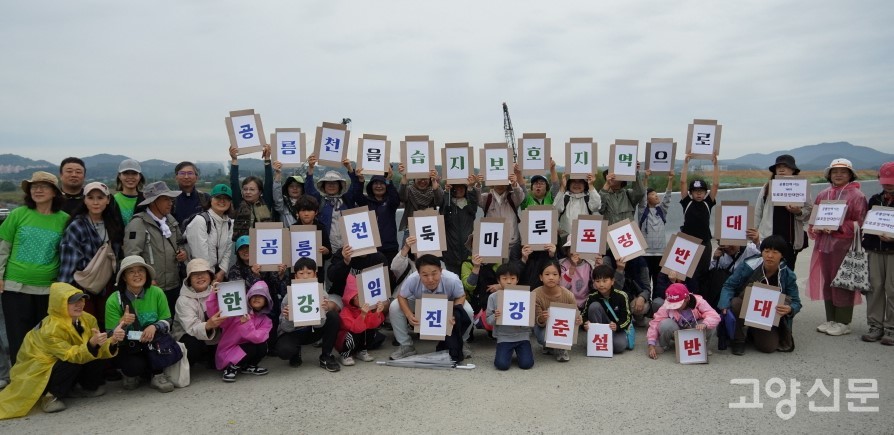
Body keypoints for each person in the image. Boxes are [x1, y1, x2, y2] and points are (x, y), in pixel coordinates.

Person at [0, 284, 124, 418]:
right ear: (59, 303)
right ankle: (50, 396)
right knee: (73, 359)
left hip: (71, 359)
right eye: (72, 301)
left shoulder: (88, 319)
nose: (79, 304)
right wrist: (91, 344)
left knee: (95, 353)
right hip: (41, 371)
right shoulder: (50, 328)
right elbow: (69, 354)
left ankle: (83, 388)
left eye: (81, 300)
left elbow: (93, 348)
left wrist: (113, 341)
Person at [0, 171, 69, 364]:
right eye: (34, 186)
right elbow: (3, 248)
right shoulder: (17, 214)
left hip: (48, 289)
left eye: (44, 186)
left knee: (44, 340)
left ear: (54, 192)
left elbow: (65, 254)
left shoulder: (64, 219)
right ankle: (20, 385)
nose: (38, 190)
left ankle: (42, 385)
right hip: (15, 287)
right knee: (18, 339)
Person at [808, 158, 867, 337]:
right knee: (828, 280)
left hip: (845, 246)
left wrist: (839, 226)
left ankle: (843, 321)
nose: (839, 174)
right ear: (829, 175)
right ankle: (831, 318)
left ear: (850, 174)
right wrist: (817, 226)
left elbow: (861, 222)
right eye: (835, 172)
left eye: (843, 171)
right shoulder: (824, 194)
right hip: (824, 245)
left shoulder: (857, 196)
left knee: (843, 280)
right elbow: (814, 219)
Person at [104, 255, 178, 392]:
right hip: (129, 345)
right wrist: (122, 324)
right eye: (131, 271)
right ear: (124, 277)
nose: (137, 275)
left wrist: (154, 326)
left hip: (153, 342)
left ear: (147, 274)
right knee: (133, 367)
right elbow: (110, 335)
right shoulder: (113, 300)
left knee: (158, 349)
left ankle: (157, 375)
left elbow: (168, 321)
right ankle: (131, 373)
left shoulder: (157, 292)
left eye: (141, 270)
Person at [718, 235, 801, 355]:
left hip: (766, 314)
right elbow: (729, 285)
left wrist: (790, 309)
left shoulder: (788, 275)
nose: (770, 255)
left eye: (775, 252)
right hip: (743, 305)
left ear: (782, 255)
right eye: (766, 251)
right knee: (735, 303)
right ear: (761, 252)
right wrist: (724, 304)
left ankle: (752, 331)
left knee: (768, 347)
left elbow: (796, 302)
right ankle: (738, 339)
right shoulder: (749, 265)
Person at [57, 181, 125, 321]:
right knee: (86, 326)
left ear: (108, 200)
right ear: (84, 200)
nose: (95, 202)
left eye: (100, 198)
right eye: (91, 198)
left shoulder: (113, 225)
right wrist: (65, 294)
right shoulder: (77, 226)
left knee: (108, 325)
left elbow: (118, 258)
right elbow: (68, 264)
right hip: (82, 288)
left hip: (108, 286)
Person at [389, 254, 473, 362]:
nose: (430, 279)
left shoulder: (452, 279)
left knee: (468, 310)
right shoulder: (412, 279)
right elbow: (402, 296)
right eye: (425, 275)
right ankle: (406, 345)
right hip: (421, 302)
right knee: (395, 306)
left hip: (448, 302)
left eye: (434, 274)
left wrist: (454, 312)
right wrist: (409, 314)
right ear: (418, 273)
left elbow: (461, 296)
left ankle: (462, 342)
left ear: (441, 271)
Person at [123, 181, 188, 316]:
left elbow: (180, 242)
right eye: (166, 199)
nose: (170, 203)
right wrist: (147, 279)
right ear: (153, 202)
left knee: (170, 319)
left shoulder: (170, 220)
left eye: (171, 199)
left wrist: (182, 252)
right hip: (150, 286)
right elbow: (132, 256)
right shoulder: (138, 224)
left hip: (174, 283)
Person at [275, 258, 343, 372]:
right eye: (301, 273)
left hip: (313, 331)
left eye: (309, 273)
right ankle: (295, 352)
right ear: (295, 276)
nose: (305, 277)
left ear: (315, 275)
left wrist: (322, 312)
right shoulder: (288, 297)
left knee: (333, 316)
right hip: (293, 332)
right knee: (284, 351)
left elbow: (319, 325)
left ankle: (326, 356)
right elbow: (285, 328)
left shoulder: (321, 293)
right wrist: (288, 318)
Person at [754, 155, 814, 269]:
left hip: (790, 241)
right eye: (779, 167)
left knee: (788, 272)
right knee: (768, 271)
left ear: (793, 170)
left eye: (786, 166)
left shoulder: (801, 187)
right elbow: (758, 211)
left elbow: (809, 210)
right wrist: (754, 233)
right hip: (769, 239)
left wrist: (798, 212)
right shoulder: (767, 187)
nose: (781, 169)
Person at [208, 280, 273, 382]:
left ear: (266, 301)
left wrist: (246, 324)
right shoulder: (236, 313)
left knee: (262, 346)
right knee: (250, 348)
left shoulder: (266, 321)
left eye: (261, 296)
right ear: (248, 298)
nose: (256, 298)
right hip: (229, 351)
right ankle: (230, 367)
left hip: (248, 348)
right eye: (253, 295)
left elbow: (259, 338)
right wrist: (213, 296)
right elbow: (218, 316)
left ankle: (249, 366)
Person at [861, 161, 894, 345]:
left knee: (893, 289)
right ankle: (875, 325)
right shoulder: (874, 200)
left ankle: (891, 328)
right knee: (874, 288)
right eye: (885, 180)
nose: (888, 184)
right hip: (874, 249)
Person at [678, 153, 720, 294]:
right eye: (695, 191)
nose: (699, 194)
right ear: (691, 193)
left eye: (701, 191)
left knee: (703, 273)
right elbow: (682, 182)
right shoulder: (686, 202)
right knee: (686, 273)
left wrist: (715, 165)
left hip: (705, 243)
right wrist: (685, 163)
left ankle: (702, 300)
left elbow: (715, 184)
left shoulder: (708, 203)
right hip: (687, 244)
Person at [646, 283, 720, 360]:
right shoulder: (667, 305)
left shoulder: (699, 301)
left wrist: (705, 324)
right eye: (672, 304)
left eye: (678, 304)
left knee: (711, 325)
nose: (675, 307)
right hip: (677, 331)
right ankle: (664, 345)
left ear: (687, 298)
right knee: (665, 324)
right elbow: (655, 323)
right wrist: (651, 345)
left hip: (695, 329)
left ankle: (703, 348)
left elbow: (714, 315)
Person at [173, 259, 222, 368]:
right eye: (195, 274)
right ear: (189, 279)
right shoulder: (183, 300)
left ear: (210, 276)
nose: (200, 277)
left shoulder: (218, 291)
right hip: (189, 335)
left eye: (203, 273)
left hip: (213, 336)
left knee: (220, 363)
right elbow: (191, 328)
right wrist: (208, 325)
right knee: (193, 346)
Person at [533, 260, 585, 362]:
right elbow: (537, 320)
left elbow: (576, 315)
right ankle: (548, 345)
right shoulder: (535, 294)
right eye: (547, 274)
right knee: (542, 336)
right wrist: (542, 318)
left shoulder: (568, 295)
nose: (551, 277)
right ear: (541, 277)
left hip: (562, 327)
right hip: (543, 327)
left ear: (560, 277)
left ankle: (561, 348)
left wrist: (579, 320)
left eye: (555, 274)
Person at [305, 156, 356, 257]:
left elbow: (355, 187)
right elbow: (309, 190)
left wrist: (350, 168)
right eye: (328, 183)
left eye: (334, 183)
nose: (331, 186)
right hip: (327, 248)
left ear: (340, 186)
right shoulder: (320, 201)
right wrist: (311, 168)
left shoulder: (346, 200)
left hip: (347, 248)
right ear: (323, 186)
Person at [486, 263, 534, 371]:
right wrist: (495, 316)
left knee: (526, 364)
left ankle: (520, 353)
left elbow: (531, 318)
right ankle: (505, 353)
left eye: (512, 278)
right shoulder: (493, 297)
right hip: (504, 336)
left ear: (517, 280)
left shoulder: (525, 295)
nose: (509, 281)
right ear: (498, 280)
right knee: (502, 365)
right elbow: (488, 320)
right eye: (504, 278)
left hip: (522, 335)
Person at [184, 184, 234, 284]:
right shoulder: (200, 221)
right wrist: (210, 276)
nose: (222, 201)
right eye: (218, 197)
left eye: (226, 198)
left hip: (216, 274)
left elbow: (228, 250)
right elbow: (199, 255)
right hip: (199, 274)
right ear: (211, 199)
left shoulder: (229, 223)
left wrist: (222, 272)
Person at [478, 164, 526, 261]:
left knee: (512, 273)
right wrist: (478, 184)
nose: (500, 183)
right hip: (493, 244)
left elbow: (521, 196)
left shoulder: (512, 197)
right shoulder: (486, 198)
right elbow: (474, 198)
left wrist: (515, 184)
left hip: (512, 244)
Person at [354, 167, 401, 266]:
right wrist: (361, 181)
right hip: (371, 248)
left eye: (381, 183)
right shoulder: (366, 202)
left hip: (389, 247)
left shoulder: (390, 202)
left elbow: (396, 199)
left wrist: (389, 180)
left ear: (386, 186)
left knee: (390, 278)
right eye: (375, 183)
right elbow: (357, 196)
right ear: (371, 186)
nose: (378, 186)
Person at [336, 274, 386, 366]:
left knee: (371, 330)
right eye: (358, 297)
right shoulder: (345, 312)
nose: (362, 299)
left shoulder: (367, 307)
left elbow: (373, 325)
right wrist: (362, 315)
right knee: (352, 334)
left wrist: (377, 313)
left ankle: (361, 351)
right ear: (350, 298)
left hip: (360, 339)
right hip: (346, 340)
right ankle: (345, 355)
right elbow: (355, 329)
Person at [229, 144, 277, 241]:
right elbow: (234, 183)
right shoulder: (239, 202)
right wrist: (234, 159)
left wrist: (267, 159)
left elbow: (269, 182)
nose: (247, 192)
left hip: (263, 244)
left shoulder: (266, 202)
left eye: (252, 189)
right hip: (243, 246)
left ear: (260, 192)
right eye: (245, 189)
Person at [639, 170, 674, 290]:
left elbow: (667, 197)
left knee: (659, 283)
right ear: (647, 198)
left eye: (656, 194)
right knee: (645, 283)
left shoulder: (661, 211)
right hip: (646, 254)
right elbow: (642, 195)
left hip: (661, 253)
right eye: (653, 194)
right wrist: (646, 178)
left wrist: (670, 180)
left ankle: (657, 303)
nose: (656, 195)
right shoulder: (642, 211)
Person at [586, 264, 631, 354]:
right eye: (597, 281)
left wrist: (617, 326)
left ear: (612, 281)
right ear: (594, 283)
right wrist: (585, 323)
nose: (601, 284)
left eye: (605, 281)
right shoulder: (592, 297)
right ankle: (597, 338)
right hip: (600, 329)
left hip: (615, 327)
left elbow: (627, 318)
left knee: (619, 346)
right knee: (594, 306)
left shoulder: (622, 296)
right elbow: (583, 315)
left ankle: (610, 341)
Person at [440, 175, 479, 276]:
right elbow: (442, 214)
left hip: (468, 254)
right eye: (456, 187)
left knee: (469, 285)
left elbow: (474, 204)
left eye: (462, 187)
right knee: (453, 284)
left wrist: (470, 187)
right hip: (451, 254)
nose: (459, 189)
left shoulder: (469, 206)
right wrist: (446, 193)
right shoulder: (448, 205)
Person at [555, 172, 601, 249]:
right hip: (566, 242)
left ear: (585, 184)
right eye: (573, 181)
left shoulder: (588, 197)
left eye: (580, 181)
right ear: (569, 184)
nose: (576, 184)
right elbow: (556, 208)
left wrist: (591, 185)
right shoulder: (565, 197)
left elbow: (596, 206)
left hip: (585, 239)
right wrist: (562, 187)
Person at [397, 164, 443, 236]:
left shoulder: (434, 190)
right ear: (414, 179)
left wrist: (434, 181)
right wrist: (404, 176)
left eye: (425, 179)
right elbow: (401, 197)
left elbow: (440, 202)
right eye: (419, 178)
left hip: (430, 229)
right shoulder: (409, 190)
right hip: (411, 229)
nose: (422, 181)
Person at [171, 161, 211, 228]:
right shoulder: (170, 199)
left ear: (196, 177)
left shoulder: (205, 198)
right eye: (182, 173)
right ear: (176, 177)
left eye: (190, 173)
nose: (186, 177)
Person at [559, 241, 593, 317]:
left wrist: (598, 266)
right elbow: (562, 286)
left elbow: (595, 286)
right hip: (566, 303)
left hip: (584, 303)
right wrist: (573, 266)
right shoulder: (562, 264)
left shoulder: (589, 264)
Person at [271, 161, 306, 227]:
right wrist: (278, 174)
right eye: (291, 186)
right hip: (287, 235)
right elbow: (277, 195)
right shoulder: (283, 204)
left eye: (298, 186)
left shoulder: (307, 203)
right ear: (287, 189)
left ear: (302, 189)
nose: (294, 188)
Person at [113, 158, 145, 226]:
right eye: (126, 173)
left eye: (134, 173)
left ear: (139, 177)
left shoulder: (146, 199)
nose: (130, 177)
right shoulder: (113, 200)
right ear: (119, 176)